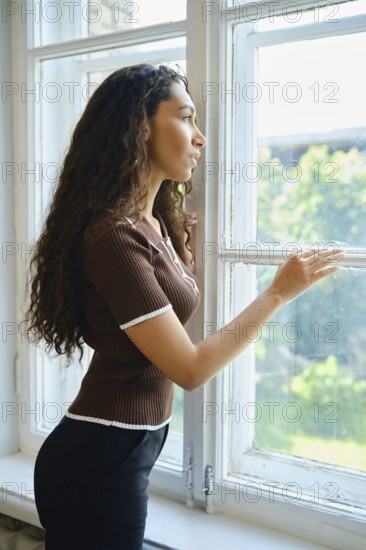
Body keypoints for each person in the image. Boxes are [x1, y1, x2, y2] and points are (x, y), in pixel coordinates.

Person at [24, 63, 343, 550]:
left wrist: (183, 257)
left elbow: (160, 312)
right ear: (141, 126)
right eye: (186, 117)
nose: (200, 138)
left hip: (123, 452)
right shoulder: (113, 237)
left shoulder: (149, 225)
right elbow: (189, 369)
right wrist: (278, 291)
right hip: (96, 462)